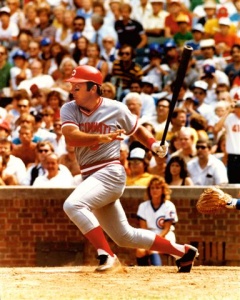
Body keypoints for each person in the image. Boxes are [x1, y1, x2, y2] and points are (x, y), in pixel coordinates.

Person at [60, 65, 198, 273]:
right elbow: (71, 137)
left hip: (110, 171)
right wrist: (100, 137)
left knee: (73, 205)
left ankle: (106, 255)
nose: (72, 90)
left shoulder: (116, 108)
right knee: (124, 236)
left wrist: (153, 144)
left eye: (77, 86)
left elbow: (137, 130)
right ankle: (183, 251)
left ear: (93, 89)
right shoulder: (69, 108)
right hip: (90, 176)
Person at [136, 175, 178, 266]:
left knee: (153, 249)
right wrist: (150, 240)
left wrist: (156, 240)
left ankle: (157, 271)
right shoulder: (143, 206)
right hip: (149, 235)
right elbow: (143, 228)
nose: (154, 190)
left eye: (158, 188)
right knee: (140, 251)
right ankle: (143, 274)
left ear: (163, 190)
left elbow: (166, 229)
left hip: (165, 235)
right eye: (152, 188)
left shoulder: (169, 205)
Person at [213, 100, 240, 183]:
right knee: (234, 184)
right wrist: (228, 111)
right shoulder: (230, 117)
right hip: (233, 156)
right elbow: (216, 129)